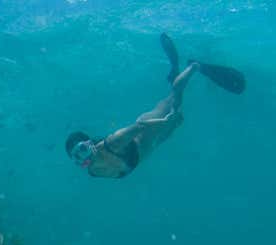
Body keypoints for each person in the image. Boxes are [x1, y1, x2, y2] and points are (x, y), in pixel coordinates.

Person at [66, 33, 245, 179]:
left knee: (176, 96)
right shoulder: (94, 172)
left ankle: (194, 66)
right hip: (153, 143)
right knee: (176, 111)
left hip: (149, 127)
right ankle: (174, 70)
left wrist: (165, 121)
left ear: (90, 143)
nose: (82, 157)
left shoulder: (113, 142)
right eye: (76, 157)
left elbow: (139, 127)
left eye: (81, 149)